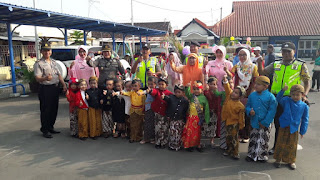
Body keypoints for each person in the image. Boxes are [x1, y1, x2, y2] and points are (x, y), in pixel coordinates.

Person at [257, 42, 311, 155]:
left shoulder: (300, 64)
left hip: (291, 99)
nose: (286, 54)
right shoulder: (276, 64)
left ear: (294, 52)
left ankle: (288, 148)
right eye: (284, 52)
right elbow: (262, 72)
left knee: (289, 124)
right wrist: (259, 63)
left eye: (288, 52)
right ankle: (277, 147)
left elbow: (307, 81)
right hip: (276, 98)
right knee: (277, 123)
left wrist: (304, 95)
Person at [34, 42, 67, 138]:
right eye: (44, 50)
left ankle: (51, 127)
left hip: (55, 87)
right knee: (45, 109)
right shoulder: (39, 64)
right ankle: (45, 129)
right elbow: (37, 78)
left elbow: (59, 75)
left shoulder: (54, 62)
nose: (47, 52)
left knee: (54, 108)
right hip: (45, 89)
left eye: (48, 50)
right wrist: (45, 78)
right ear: (41, 52)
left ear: (51, 52)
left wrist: (64, 85)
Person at [227, 48, 259, 143]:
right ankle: (239, 134)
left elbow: (255, 79)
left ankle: (246, 135)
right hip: (238, 92)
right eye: (240, 55)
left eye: (244, 55)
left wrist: (251, 92)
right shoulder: (237, 66)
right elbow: (232, 74)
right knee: (237, 113)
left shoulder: (253, 66)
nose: (242, 57)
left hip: (249, 92)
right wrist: (226, 71)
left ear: (248, 55)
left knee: (247, 114)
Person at [274, 84, 309, 170]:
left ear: (302, 95)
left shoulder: (304, 106)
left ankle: (291, 161)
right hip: (284, 126)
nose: (295, 97)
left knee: (292, 145)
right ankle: (278, 160)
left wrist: (302, 131)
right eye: (293, 94)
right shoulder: (286, 100)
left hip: (294, 128)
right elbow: (277, 99)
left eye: (298, 95)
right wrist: (282, 91)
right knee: (280, 143)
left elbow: (305, 119)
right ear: (290, 94)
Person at [245, 76, 277, 162]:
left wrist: (265, 122)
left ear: (265, 86)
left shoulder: (271, 97)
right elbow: (248, 106)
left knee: (263, 139)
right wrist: (249, 111)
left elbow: (272, 111)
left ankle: (262, 156)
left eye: (258, 84)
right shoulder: (252, 96)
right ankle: (251, 155)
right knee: (253, 138)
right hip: (254, 121)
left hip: (265, 123)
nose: (255, 86)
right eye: (255, 84)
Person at [221, 76, 245, 159]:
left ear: (240, 96)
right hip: (227, 121)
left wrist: (241, 125)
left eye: (236, 93)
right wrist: (225, 81)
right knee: (228, 137)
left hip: (234, 124)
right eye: (234, 91)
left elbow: (241, 117)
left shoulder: (240, 106)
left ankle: (235, 152)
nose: (233, 93)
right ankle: (229, 150)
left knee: (234, 138)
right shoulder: (228, 97)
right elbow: (227, 88)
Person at [182, 81, 210, 152]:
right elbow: (187, 93)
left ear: (201, 89)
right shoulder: (191, 96)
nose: (196, 91)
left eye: (198, 89)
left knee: (198, 133)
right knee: (189, 132)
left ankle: (198, 145)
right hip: (191, 118)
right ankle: (189, 145)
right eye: (194, 89)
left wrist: (207, 119)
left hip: (198, 119)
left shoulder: (204, 98)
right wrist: (187, 87)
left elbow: (206, 109)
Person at [163, 84, 189, 151]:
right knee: (172, 132)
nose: (177, 93)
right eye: (176, 92)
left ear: (183, 93)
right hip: (173, 119)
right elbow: (167, 99)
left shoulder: (185, 101)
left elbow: (185, 110)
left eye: (179, 92)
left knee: (178, 133)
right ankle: (172, 145)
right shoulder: (171, 97)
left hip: (180, 119)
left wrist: (185, 120)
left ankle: (177, 145)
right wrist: (163, 97)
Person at [148, 78, 173, 149]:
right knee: (158, 128)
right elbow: (153, 92)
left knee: (165, 128)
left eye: (163, 84)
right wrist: (150, 91)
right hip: (158, 113)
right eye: (159, 84)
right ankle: (158, 142)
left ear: (166, 85)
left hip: (165, 114)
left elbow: (171, 102)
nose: (161, 86)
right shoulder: (157, 91)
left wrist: (166, 98)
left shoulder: (169, 93)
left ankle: (164, 142)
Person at [203, 77, 225, 148]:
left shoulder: (217, 93)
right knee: (205, 125)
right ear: (208, 84)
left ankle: (211, 141)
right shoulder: (206, 92)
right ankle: (202, 140)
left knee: (213, 126)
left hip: (214, 112)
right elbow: (209, 98)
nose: (214, 86)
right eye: (212, 84)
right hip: (206, 111)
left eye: (215, 84)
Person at [140, 76, 157, 144]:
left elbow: (152, 92)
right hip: (147, 108)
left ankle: (152, 138)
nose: (150, 86)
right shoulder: (147, 90)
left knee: (152, 123)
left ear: (155, 84)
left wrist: (149, 91)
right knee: (147, 123)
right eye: (149, 84)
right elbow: (144, 92)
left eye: (152, 84)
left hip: (152, 109)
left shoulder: (155, 90)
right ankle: (146, 138)